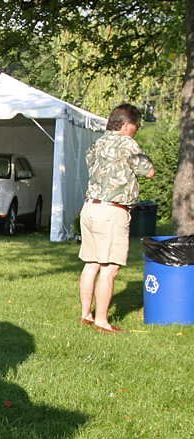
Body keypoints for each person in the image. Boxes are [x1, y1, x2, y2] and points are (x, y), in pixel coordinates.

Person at [79, 103, 156, 333]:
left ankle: (86, 315)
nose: (136, 130)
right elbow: (149, 171)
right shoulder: (127, 143)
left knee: (91, 264)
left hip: (90, 208)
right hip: (112, 211)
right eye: (137, 126)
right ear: (126, 125)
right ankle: (103, 321)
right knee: (110, 267)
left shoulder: (98, 143)